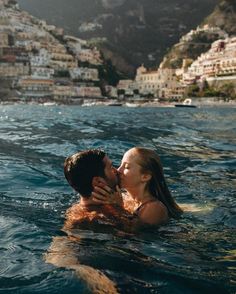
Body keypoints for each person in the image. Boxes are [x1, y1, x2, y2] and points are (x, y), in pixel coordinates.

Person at [92, 147, 183, 227]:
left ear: (145, 177)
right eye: (121, 165)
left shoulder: (153, 208)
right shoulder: (122, 197)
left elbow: (133, 234)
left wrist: (118, 207)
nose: (118, 170)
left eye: (126, 167)